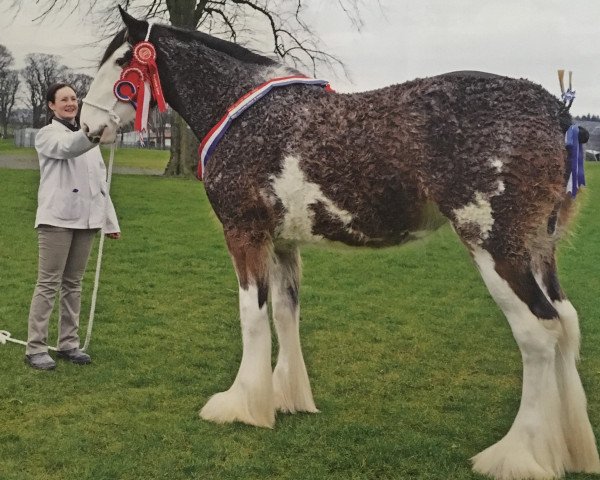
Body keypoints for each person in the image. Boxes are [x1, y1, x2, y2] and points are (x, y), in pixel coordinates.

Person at [25, 82, 121, 370]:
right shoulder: (47, 135)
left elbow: (99, 183)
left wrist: (109, 221)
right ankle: (36, 347)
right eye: (63, 99)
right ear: (52, 105)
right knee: (48, 283)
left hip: (87, 219)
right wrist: (92, 133)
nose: (70, 102)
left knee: (73, 284)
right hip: (57, 219)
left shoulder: (86, 138)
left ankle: (69, 343)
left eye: (73, 98)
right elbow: (67, 148)